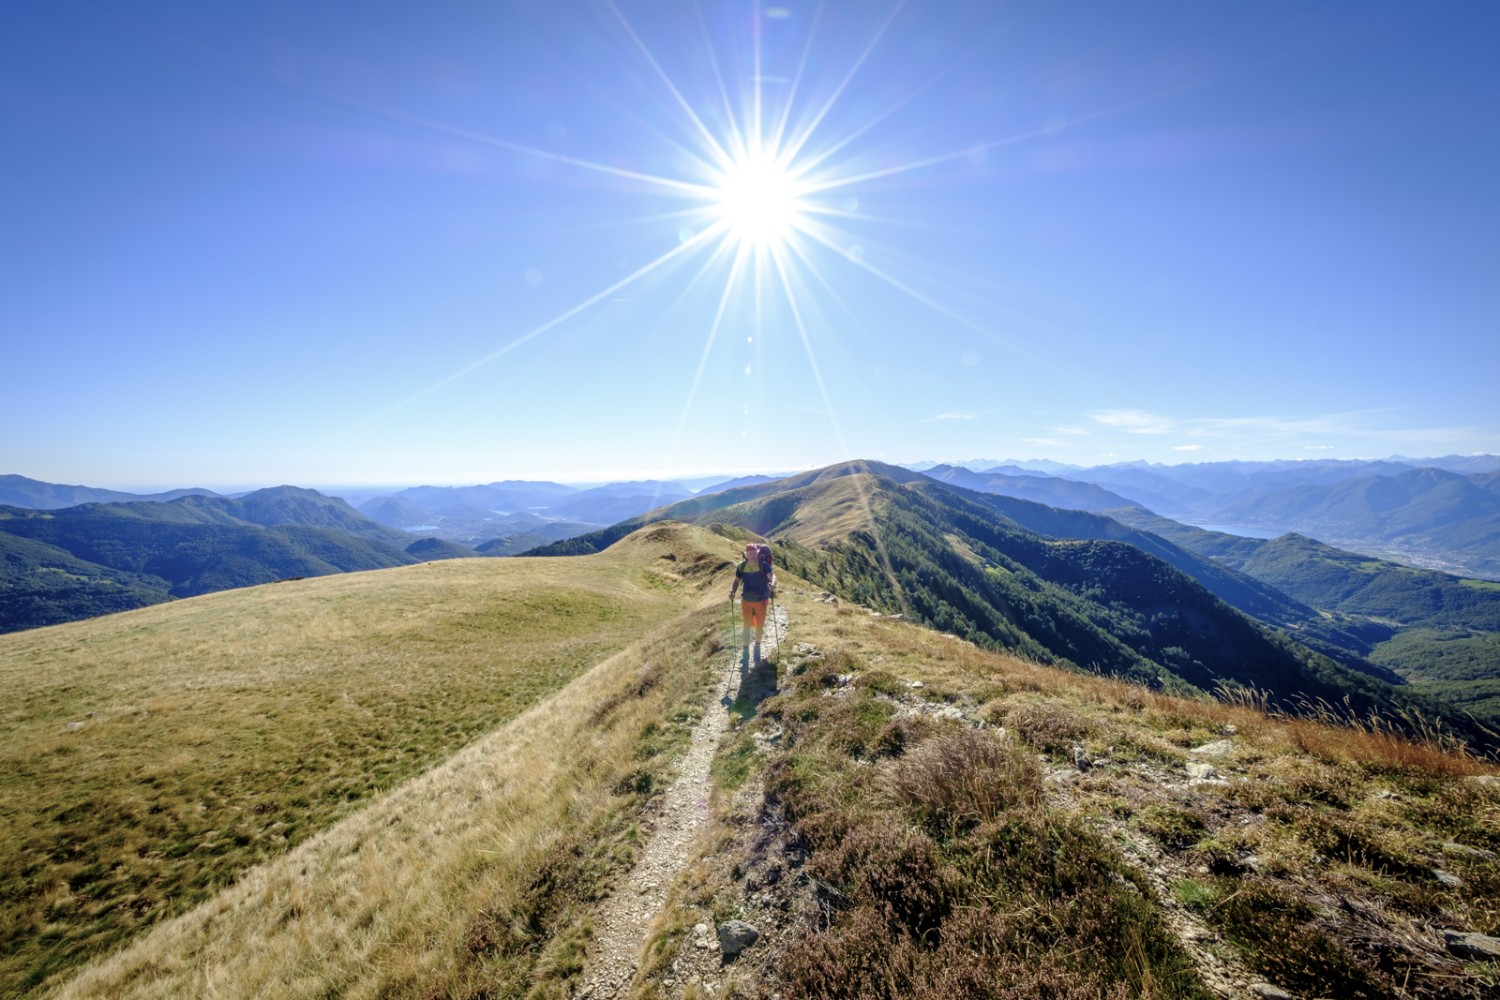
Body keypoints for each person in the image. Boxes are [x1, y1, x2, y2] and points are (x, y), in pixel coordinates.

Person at [729, 542, 775, 659]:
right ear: (746, 554)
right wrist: (732, 592)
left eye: (754, 553)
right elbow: (736, 581)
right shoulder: (741, 566)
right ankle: (745, 648)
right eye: (750, 554)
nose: (752, 556)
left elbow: (771, 576)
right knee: (746, 625)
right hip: (746, 601)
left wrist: (773, 583)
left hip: (761, 600)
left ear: (757, 553)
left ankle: (757, 645)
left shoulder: (763, 565)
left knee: (760, 625)